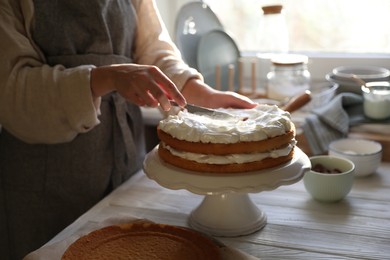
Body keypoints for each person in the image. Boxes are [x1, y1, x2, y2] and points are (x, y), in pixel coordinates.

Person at [0, 0, 256, 259]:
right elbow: (11, 91)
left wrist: (201, 94)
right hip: (43, 188)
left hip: (126, 165)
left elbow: (154, 52)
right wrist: (107, 77)